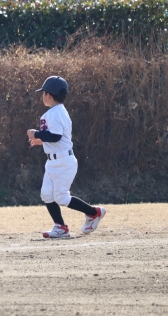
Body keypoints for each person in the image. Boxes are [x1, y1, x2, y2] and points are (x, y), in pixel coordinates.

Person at [27, 76, 106, 238]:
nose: (42, 96)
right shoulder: (59, 111)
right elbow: (58, 138)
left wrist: (36, 133)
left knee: (61, 197)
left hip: (63, 162)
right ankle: (60, 227)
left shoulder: (54, 113)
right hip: (54, 161)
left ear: (49, 95)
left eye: (43, 93)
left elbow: (55, 136)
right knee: (46, 194)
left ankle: (94, 212)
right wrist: (41, 141)